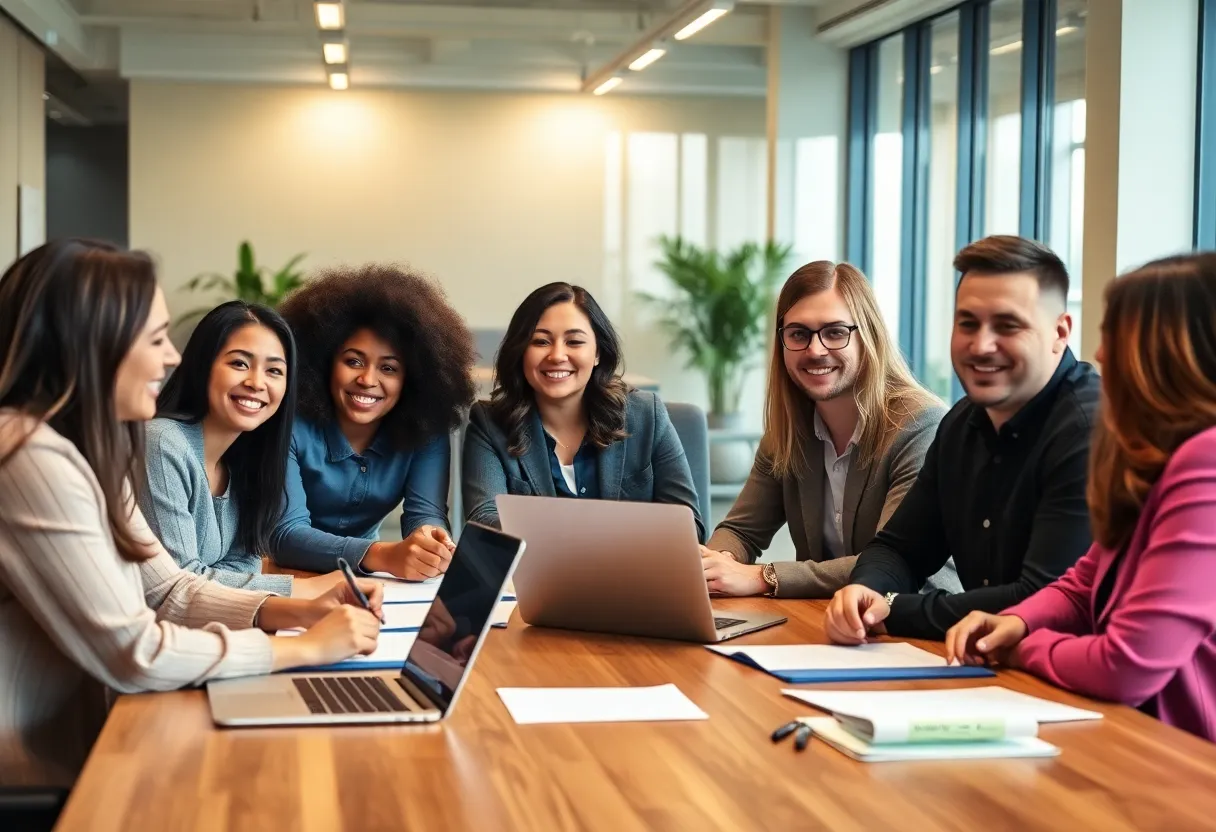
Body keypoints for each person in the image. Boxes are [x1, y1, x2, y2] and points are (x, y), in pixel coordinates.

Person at [0, 240, 382, 786]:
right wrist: (305, 649)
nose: (172, 356)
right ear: (92, 340)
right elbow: (135, 652)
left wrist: (302, 613)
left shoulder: (88, 448)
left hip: (85, 743)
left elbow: (169, 591)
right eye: (155, 339)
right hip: (30, 769)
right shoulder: (28, 453)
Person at [945, 253, 1216, 742]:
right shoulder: (1154, 454)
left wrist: (1020, 649)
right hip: (1137, 743)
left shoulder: (1207, 463)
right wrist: (1016, 623)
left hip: (1187, 762)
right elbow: (1084, 582)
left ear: (1167, 351)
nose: (1102, 353)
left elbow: (1126, 665)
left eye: (1117, 333)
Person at [826, 234, 1100, 642]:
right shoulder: (961, 423)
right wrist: (864, 590)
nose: (981, 345)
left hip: (1086, 687)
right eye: (967, 323)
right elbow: (900, 548)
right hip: (992, 669)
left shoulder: (1089, 430)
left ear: (1060, 332)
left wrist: (894, 611)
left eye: (1007, 325)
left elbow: (1042, 600)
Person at [700, 261, 954, 598]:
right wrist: (718, 564)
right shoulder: (788, 431)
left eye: (835, 332)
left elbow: (891, 563)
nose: (815, 350)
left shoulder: (920, 426)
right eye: (798, 334)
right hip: (827, 622)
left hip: (914, 622)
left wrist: (764, 576)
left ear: (869, 337)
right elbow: (741, 530)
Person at [270, 264, 476, 580]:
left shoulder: (425, 430)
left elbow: (426, 514)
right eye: (353, 361)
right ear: (324, 362)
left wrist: (431, 544)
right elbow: (285, 535)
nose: (368, 380)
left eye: (389, 368)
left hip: (365, 579)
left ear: (413, 378)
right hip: (280, 575)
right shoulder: (289, 424)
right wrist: (382, 555)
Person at [462, 282, 704, 540]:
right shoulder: (490, 423)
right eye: (541, 341)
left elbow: (688, 527)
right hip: (537, 578)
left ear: (598, 352)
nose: (557, 355)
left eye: (574, 341)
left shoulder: (646, 415)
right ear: (521, 351)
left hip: (634, 577)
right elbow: (484, 523)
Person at [142, 301, 343, 597]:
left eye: (274, 370)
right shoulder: (162, 443)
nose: (256, 382)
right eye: (239, 363)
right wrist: (303, 588)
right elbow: (179, 582)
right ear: (203, 365)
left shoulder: (246, 459)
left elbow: (245, 563)